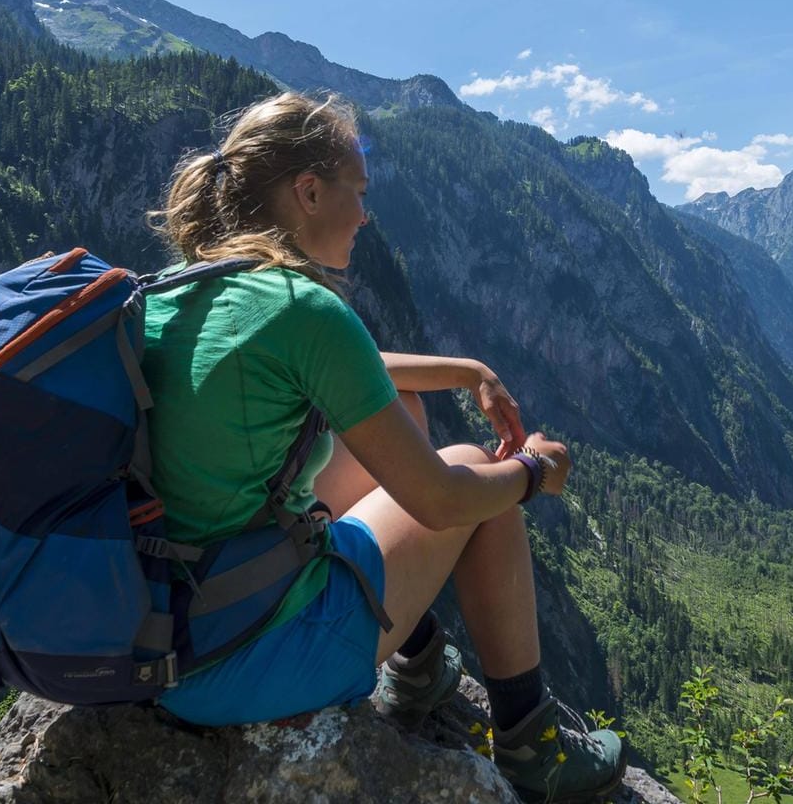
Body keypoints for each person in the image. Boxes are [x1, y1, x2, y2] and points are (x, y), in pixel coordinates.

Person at [139, 91, 625, 802]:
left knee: (397, 405)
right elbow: (438, 500)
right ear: (309, 192)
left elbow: (353, 371)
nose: (366, 215)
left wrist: (468, 371)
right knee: (471, 473)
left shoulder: (178, 292)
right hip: (246, 660)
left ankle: (421, 663)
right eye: (356, 193)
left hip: (165, 633)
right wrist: (530, 471)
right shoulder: (302, 306)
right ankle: (531, 744)